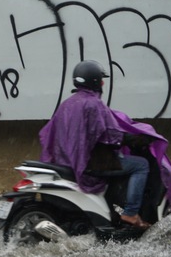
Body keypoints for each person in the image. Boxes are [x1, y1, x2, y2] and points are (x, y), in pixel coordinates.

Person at [39, 60, 152, 229]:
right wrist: (132, 138)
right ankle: (130, 213)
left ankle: (113, 210)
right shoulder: (93, 104)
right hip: (91, 163)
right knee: (141, 165)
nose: (103, 83)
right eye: (101, 79)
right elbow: (107, 134)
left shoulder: (67, 104)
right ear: (95, 82)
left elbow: (47, 133)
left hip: (67, 162)